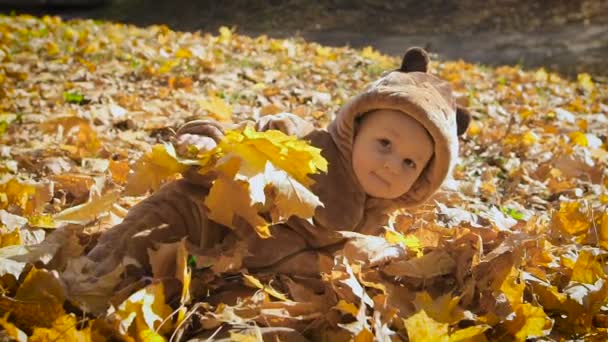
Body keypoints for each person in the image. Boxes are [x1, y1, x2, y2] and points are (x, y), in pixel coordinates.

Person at [86, 47, 471, 283]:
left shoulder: (378, 214)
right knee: (128, 251)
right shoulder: (306, 144)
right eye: (384, 144)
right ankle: (80, 284)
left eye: (410, 163)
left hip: (229, 266)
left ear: (423, 179)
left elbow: (340, 258)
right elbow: (247, 138)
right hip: (204, 217)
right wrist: (207, 141)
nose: (390, 166)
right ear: (354, 129)